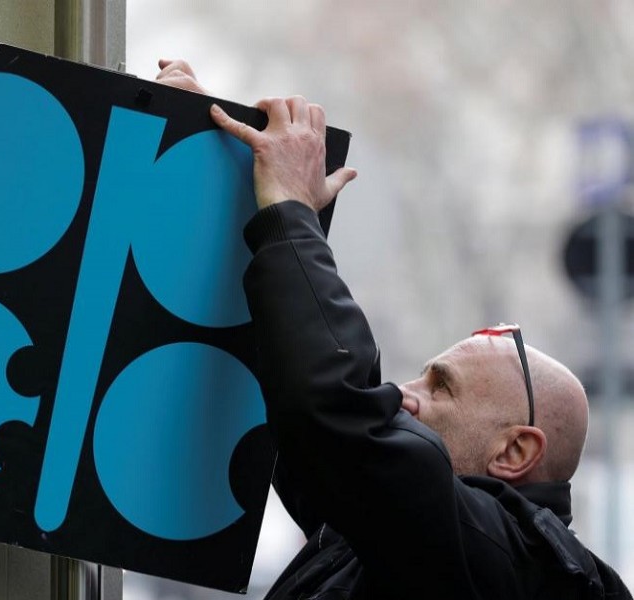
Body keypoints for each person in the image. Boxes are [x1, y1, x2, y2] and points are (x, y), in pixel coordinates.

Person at [156, 59, 633, 599]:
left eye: (441, 388)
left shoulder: (503, 561)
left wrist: (289, 207)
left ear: (515, 452)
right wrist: (220, 166)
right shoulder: (397, 532)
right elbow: (301, 403)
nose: (402, 397)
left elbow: (336, 410)